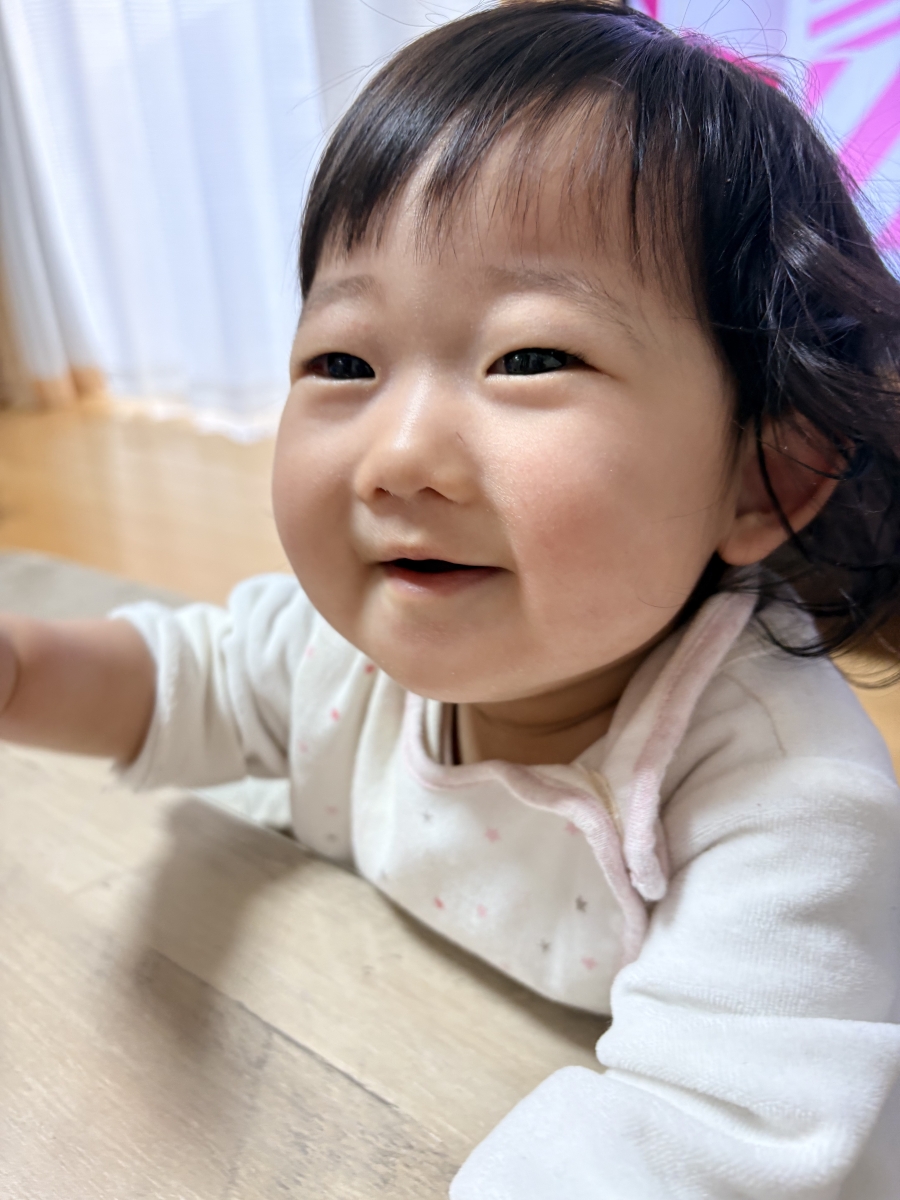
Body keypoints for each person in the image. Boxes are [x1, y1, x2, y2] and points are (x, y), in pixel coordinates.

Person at [3, 2, 900, 1194]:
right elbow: (187, 682)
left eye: (529, 358)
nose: (398, 455)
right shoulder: (340, 655)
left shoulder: (788, 799)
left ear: (762, 473)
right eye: (344, 361)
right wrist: (24, 669)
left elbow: (716, 1137)